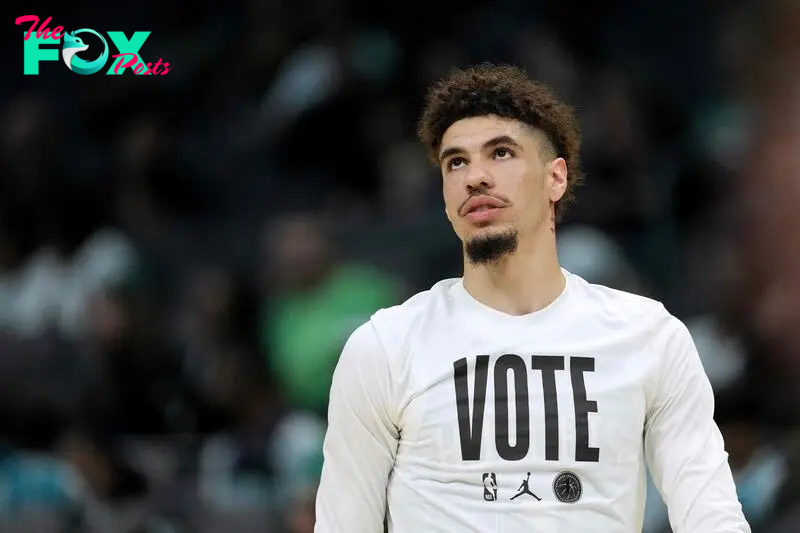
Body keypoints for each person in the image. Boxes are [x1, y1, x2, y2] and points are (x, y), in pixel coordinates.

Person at [314, 64, 750, 532]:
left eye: (500, 153)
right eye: (455, 162)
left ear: (554, 179)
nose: (474, 177)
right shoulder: (385, 346)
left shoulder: (649, 337)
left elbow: (711, 513)